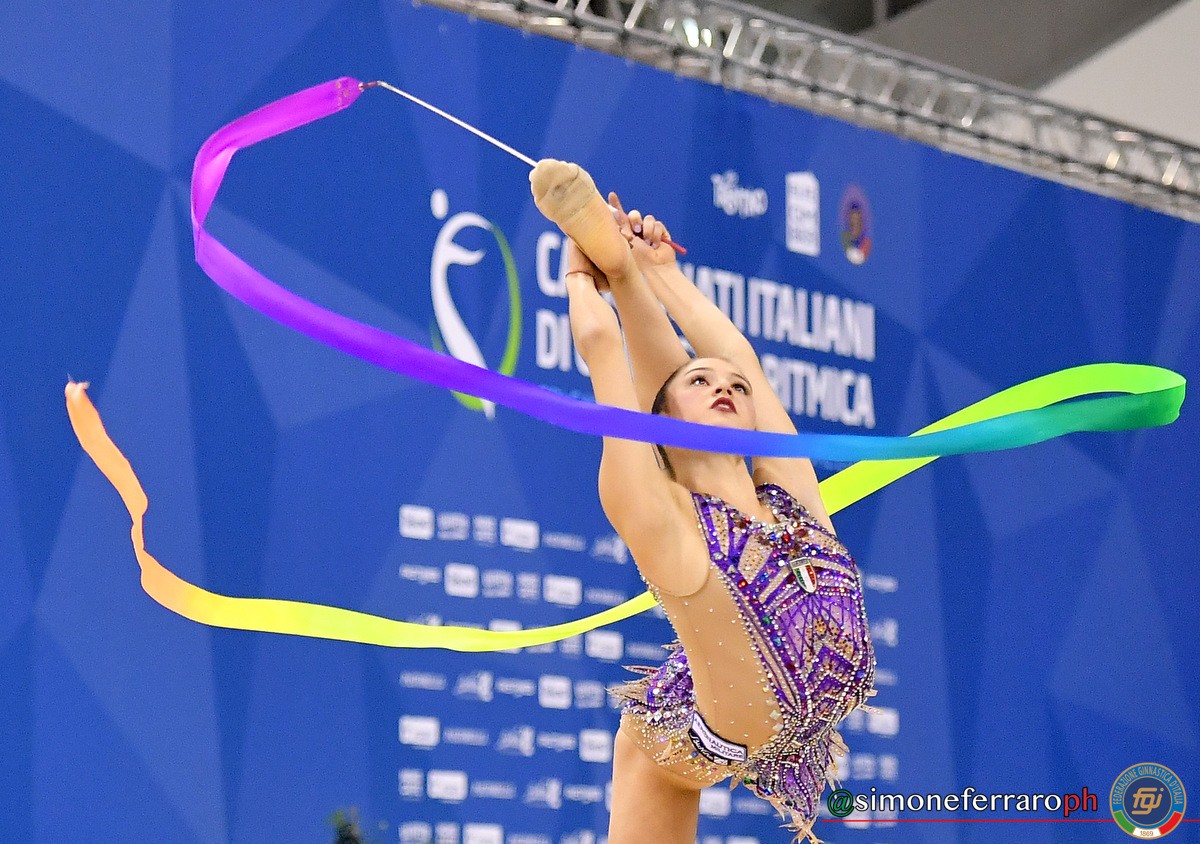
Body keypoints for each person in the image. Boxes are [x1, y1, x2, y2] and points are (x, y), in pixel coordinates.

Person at [529, 160, 878, 843]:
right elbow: (603, 351)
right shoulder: (671, 524)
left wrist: (660, 272)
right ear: (661, 421)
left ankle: (625, 272)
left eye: (737, 390)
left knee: (713, 372)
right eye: (700, 383)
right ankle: (615, 270)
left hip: (767, 709)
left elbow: (736, 355)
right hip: (693, 737)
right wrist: (579, 271)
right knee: (643, 756)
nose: (726, 387)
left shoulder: (792, 498)